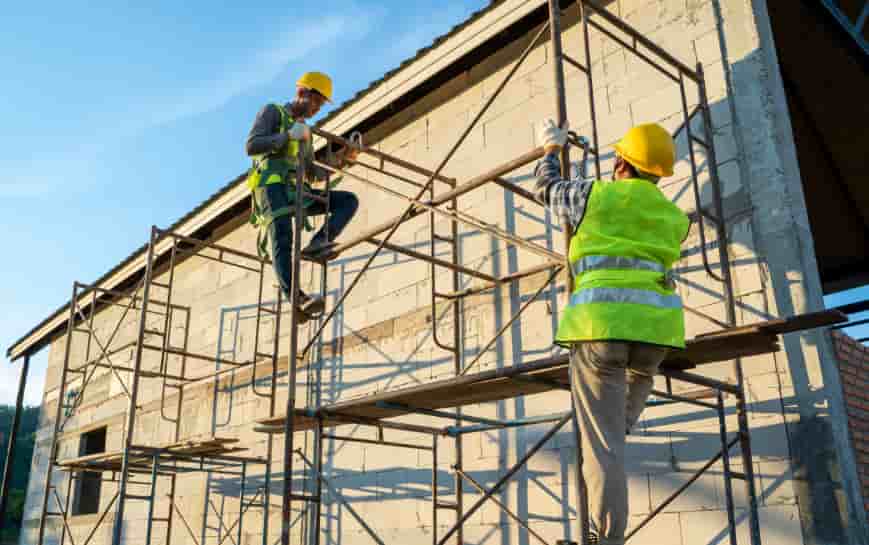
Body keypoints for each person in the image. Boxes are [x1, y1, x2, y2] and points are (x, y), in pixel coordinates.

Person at [535, 120, 689, 545]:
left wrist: (551, 149)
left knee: (602, 448)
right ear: (659, 172)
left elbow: (547, 189)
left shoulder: (595, 194)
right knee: (610, 436)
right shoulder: (676, 217)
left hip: (601, 331)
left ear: (621, 162)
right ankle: (605, 506)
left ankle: (605, 540)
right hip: (655, 337)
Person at [245, 71, 359, 321]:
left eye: (321, 104)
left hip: (297, 191)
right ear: (302, 93)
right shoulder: (273, 112)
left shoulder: (306, 131)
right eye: (317, 101)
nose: (317, 109)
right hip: (272, 186)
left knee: (348, 201)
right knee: (283, 238)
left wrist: (342, 159)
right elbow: (251, 146)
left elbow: (312, 172)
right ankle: (297, 299)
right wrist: (286, 136)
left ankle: (319, 242)